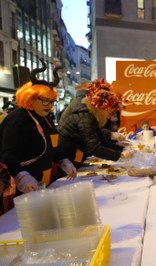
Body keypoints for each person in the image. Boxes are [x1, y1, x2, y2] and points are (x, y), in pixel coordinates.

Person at [0, 60, 77, 193]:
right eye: (46, 101)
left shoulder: (43, 117)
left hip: (42, 181)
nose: (50, 106)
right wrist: (21, 176)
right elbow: (7, 154)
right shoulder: (18, 118)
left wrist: (63, 160)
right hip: (23, 187)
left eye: (52, 101)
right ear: (30, 98)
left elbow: (51, 145)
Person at [57, 78, 133, 168]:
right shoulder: (86, 117)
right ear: (101, 109)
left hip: (74, 153)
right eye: (110, 112)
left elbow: (102, 141)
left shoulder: (92, 116)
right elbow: (95, 148)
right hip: (66, 156)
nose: (111, 116)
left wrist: (123, 149)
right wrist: (120, 155)